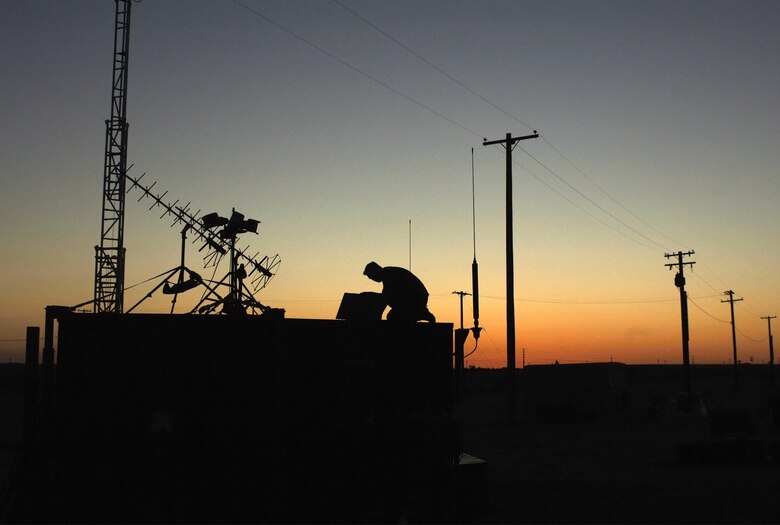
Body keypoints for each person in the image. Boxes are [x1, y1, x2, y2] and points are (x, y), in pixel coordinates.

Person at [363, 262, 436, 322]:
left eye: (371, 277)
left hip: (416, 297)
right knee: (394, 314)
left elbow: (386, 297)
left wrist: (378, 315)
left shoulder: (387, 275)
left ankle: (420, 313)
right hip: (416, 296)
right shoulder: (388, 272)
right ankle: (419, 312)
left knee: (393, 316)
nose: (372, 279)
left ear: (375, 271)